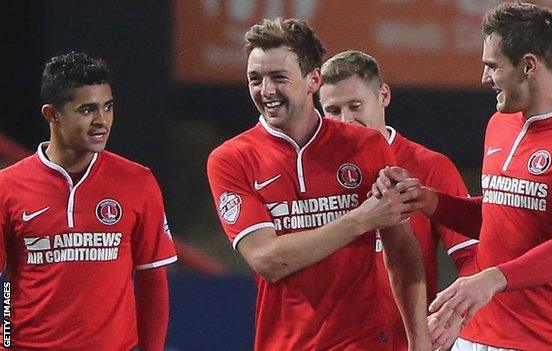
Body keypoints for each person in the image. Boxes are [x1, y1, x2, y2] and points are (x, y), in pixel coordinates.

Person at [376, 2, 552, 350]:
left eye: (492, 66)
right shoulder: (500, 123)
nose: (484, 78)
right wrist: (431, 201)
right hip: (478, 333)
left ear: (528, 66)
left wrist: (491, 278)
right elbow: (502, 214)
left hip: (551, 339)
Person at [207, 18, 431, 350]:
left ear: (313, 80)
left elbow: (402, 250)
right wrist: (360, 219)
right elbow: (269, 261)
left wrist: (419, 340)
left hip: (364, 342)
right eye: (255, 79)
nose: (265, 91)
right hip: (286, 343)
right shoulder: (231, 159)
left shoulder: (366, 146)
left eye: (278, 77)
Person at [0, 52, 178, 350]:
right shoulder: (7, 186)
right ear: (52, 114)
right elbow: (2, 287)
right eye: (87, 110)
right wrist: (4, 342)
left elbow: (153, 282)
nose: (102, 121)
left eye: (107, 107)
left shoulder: (138, 181)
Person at [319, 50, 478, 349]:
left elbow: (473, 255)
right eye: (333, 111)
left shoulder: (430, 167)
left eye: (356, 106)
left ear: (383, 95)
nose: (346, 121)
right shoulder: (314, 172)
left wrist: (453, 314)